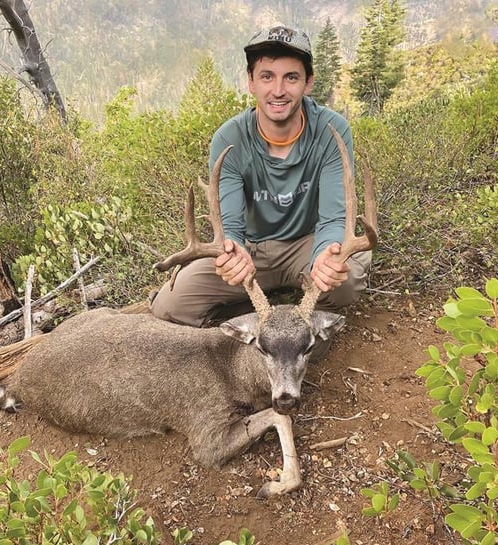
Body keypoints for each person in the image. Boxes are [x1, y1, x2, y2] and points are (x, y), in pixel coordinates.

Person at [150, 24, 373, 327]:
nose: (278, 90)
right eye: (267, 76)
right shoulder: (229, 138)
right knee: (171, 305)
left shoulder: (331, 130)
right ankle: (260, 314)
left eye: (291, 77)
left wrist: (327, 255)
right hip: (252, 251)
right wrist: (233, 253)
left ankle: (287, 312)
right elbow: (230, 224)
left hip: (308, 246)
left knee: (344, 283)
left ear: (308, 83)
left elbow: (334, 217)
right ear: (251, 82)